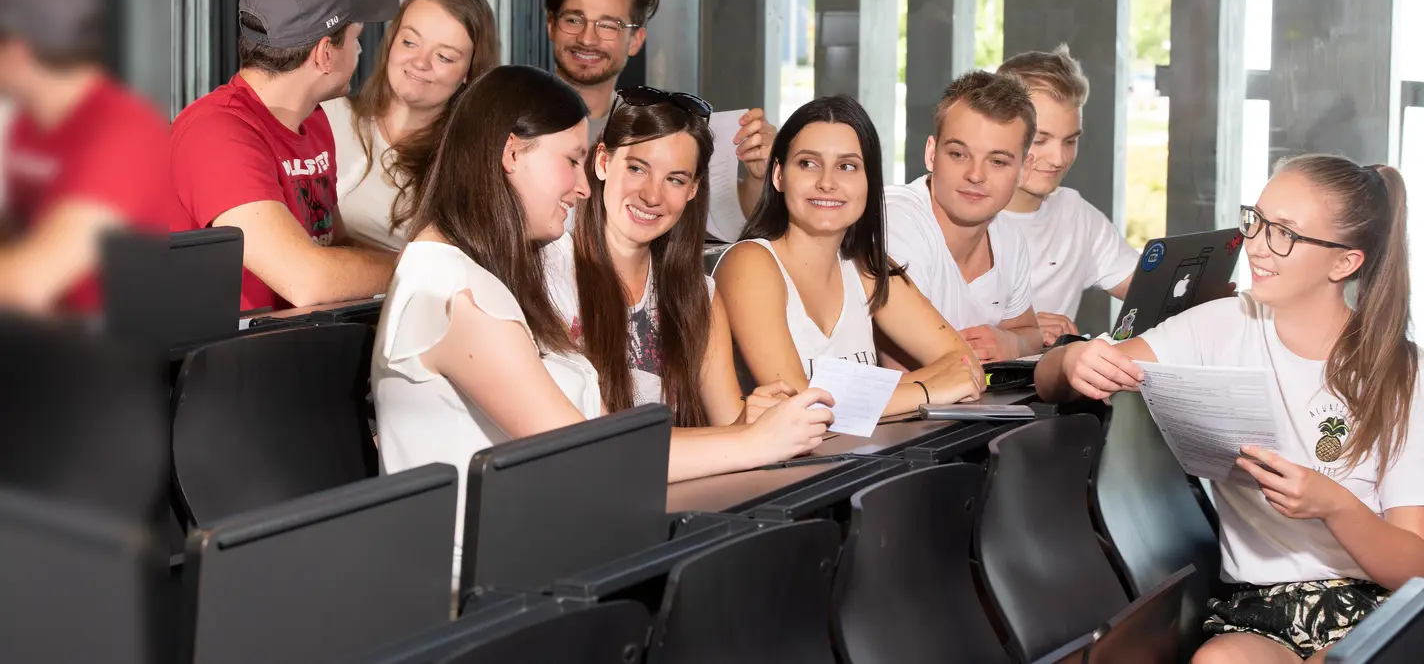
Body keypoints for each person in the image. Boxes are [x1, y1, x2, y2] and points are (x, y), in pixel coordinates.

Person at [372, 67, 832, 586]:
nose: (581, 185)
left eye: (676, 179)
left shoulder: (475, 277)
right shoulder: (457, 292)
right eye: (570, 161)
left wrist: (752, 429)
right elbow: (591, 455)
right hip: (503, 592)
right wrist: (758, 442)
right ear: (512, 154)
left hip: (554, 562)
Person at [1036, 155, 1424, 662]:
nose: (1257, 245)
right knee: (1215, 661)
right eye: (1257, 221)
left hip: (1376, 606)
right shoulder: (1222, 324)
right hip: (1259, 609)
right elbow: (1056, 379)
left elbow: (1416, 566)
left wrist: (1334, 505)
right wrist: (1070, 360)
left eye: (1284, 233)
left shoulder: (1403, 372)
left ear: (1344, 262)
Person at [545, 86, 836, 448]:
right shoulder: (548, 272)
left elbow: (729, 427)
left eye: (675, 179)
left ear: (694, 189)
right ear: (603, 162)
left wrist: (755, 419)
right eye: (637, 168)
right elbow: (589, 444)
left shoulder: (697, 295)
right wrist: (747, 435)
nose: (652, 196)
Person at [716, 96, 984, 417]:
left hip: (867, 458)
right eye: (808, 163)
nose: (827, 182)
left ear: (869, 183)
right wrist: (928, 390)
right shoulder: (749, 263)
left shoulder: (867, 268)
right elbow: (801, 407)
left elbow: (965, 364)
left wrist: (863, 397)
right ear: (778, 176)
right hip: (784, 466)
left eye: (847, 166)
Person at [170, 0, 400, 312]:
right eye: (357, 38)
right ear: (325, 54)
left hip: (295, 344)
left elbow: (333, 243)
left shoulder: (313, 121)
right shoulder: (214, 134)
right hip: (225, 360)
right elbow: (307, 280)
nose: (359, 50)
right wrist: (428, 268)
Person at [0, 0, 168, 314]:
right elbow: (15, 233)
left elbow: (31, 283)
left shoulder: (125, 133)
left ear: (16, 53)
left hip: (107, 359)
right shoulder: (29, 123)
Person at [544, 0, 773, 218]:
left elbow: (724, 219)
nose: (586, 38)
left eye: (608, 26)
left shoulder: (653, 127)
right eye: (574, 20)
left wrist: (757, 176)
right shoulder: (510, 117)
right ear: (551, 25)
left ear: (636, 41)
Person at [321, 0, 499, 250]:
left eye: (444, 57)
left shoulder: (471, 166)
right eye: (409, 42)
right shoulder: (325, 117)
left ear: (468, 73)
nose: (420, 62)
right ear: (392, 41)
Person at [882, 71, 1043, 365]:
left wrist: (1011, 342)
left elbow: (1030, 333)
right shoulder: (896, 220)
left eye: (997, 161)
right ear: (932, 154)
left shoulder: (1007, 235)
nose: (975, 175)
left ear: (1026, 169)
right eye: (958, 154)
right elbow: (904, 369)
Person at [996, 44, 1140, 343]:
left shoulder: (1075, 213)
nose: (1059, 158)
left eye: (1070, 141)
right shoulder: (948, 215)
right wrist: (1020, 331)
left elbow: (1150, 289)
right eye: (1040, 140)